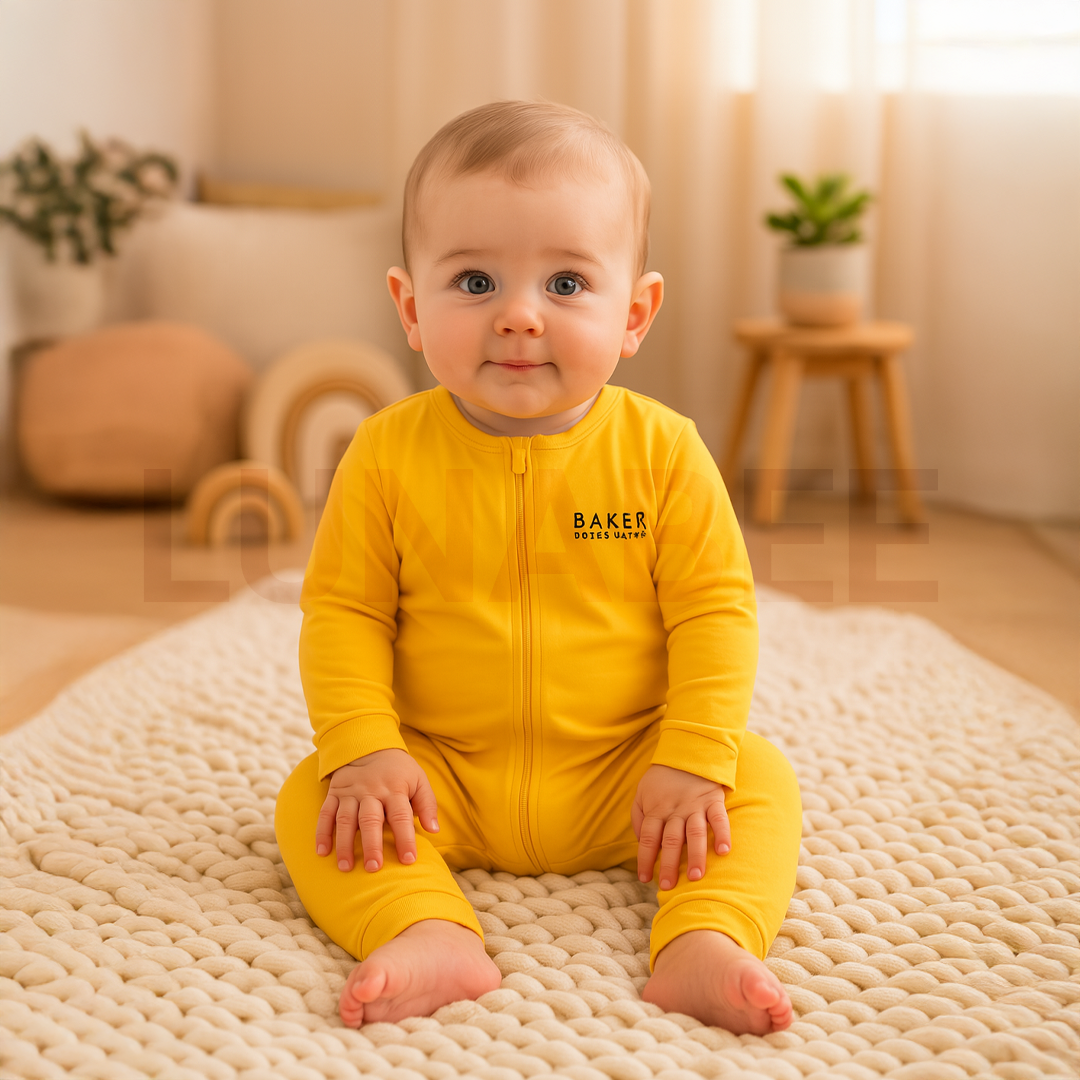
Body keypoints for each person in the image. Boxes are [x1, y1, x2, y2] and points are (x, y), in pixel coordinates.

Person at [275, 100, 801, 1035]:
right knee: (317, 794)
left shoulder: (664, 453)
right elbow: (345, 611)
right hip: (442, 779)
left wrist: (688, 756)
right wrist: (371, 748)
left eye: (565, 283)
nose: (519, 316)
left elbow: (716, 613)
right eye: (475, 281)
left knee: (754, 778)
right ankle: (425, 925)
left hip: (627, 777)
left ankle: (704, 936)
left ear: (633, 313)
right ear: (409, 306)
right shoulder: (386, 454)